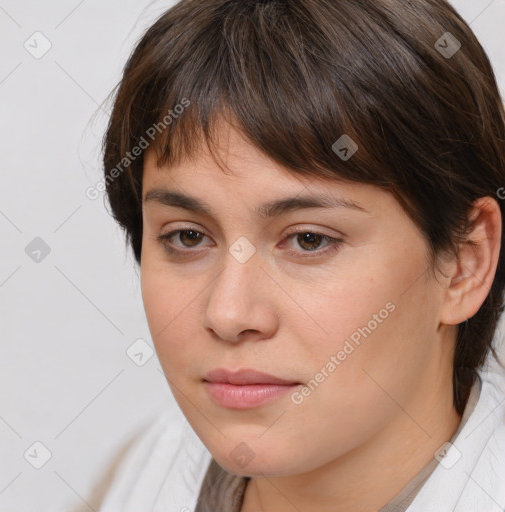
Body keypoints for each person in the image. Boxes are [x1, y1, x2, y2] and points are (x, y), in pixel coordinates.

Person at [98, 0, 505, 510]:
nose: (228, 315)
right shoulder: (147, 470)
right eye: (187, 237)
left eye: (309, 239)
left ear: (464, 264)